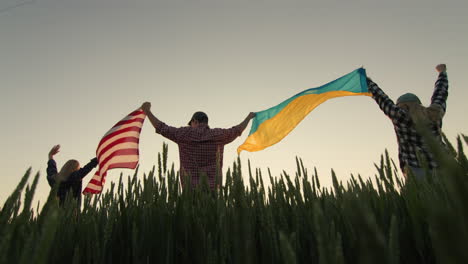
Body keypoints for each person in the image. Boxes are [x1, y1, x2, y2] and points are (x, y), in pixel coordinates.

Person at [141, 102, 255, 190]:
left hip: (189, 191)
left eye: (191, 124)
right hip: (213, 191)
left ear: (194, 121)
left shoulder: (183, 134)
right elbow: (237, 130)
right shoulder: (218, 135)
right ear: (206, 122)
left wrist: (147, 112)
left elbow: (161, 128)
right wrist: (249, 117)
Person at [366, 64, 449, 178]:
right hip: (444, 169)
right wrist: (442, 73)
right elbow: (440, 93)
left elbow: (381, 98)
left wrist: (367, 81)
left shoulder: (400, 117)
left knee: (421, 196)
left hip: (416, 171)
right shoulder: (434, 114)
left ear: (401, 106)